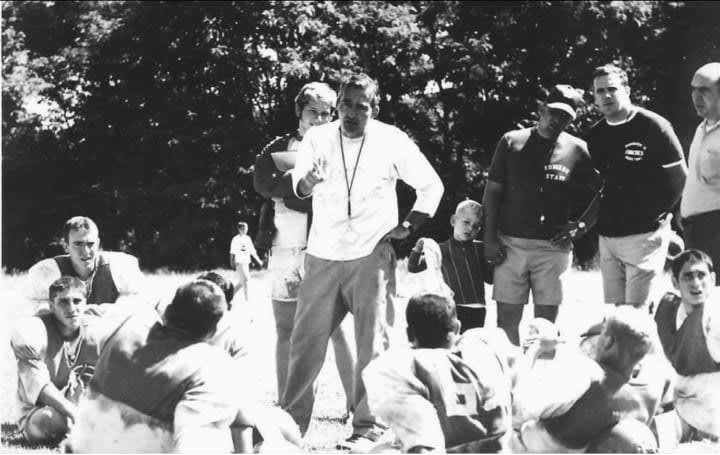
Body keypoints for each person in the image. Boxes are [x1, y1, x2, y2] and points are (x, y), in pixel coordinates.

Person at [283, 72, 444, 450]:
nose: (351, 113)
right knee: (305, 344)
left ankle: (367, 428)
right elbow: (297, 186)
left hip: (372, 255)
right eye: (345, 104)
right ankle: (288, 428)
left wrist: (408, 226)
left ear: (376, 108)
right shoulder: (317, 137)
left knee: (373, 345)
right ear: (337, 104)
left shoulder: (393, 139)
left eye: (362, 106)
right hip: (322, 253)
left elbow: (431, 186)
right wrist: (309, 182)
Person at [66, 279, 300, 453]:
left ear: (168, 311)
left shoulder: (128, 327)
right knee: (283, 444)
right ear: (213, 331)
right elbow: (192, 447)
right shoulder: (208, 364)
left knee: (275, 422)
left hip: (83, 446)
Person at [253, 82, 356, 416]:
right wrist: (301, 185)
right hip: (284, 247)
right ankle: (285, 404)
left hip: (326, 249)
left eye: (327, 113)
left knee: (336, 328)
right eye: (314, 112)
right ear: (299, 111)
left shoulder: (345, 149)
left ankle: (357, 404)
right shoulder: (278, 146)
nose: (321, 119)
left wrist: (296, 190)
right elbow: (263, 184)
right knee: (285, 328)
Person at [483, 84, 601, 345]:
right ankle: (510, 370)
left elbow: (604, 192)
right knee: (505, 325)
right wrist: (489, 239)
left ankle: (541, 368)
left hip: (552, 250)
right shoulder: (511, 141)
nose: (557, 120)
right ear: (541, 109)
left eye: (565, 116)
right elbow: (492, 193)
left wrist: (581, 225)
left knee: (546, 330)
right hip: (510, 245)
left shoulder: (578, 149)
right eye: (553, 112)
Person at [588, 64, 687, 308]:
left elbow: (680, 177)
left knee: (637, 314)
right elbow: (596, 186)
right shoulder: (595, 134)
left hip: (645, 234)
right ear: (594, 97)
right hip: (608, 237)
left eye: (612, 89)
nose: (606, 95)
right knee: (615, 314)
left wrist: (660, 215)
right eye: (600, 91)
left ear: (627, 90)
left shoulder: (654, 126)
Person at [363, 294, 513, 453]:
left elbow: (422, 445)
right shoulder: (486, 347)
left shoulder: (406, 365)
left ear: (409, 334)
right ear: (457, 328)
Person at [512, 306, 663, 452]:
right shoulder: (648, 395)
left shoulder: (586, 372)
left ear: (608, 341)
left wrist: (535, 349)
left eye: (603, 332)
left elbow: (516, 411)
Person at [10, 276, 100, 444]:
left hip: (81, 406)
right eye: (63, 302)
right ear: (51, 306)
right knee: (49, 420)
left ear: (86, 304)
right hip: (41, 411)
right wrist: (75, 414)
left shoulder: (94, 330)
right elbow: (39, 385)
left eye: (77, 301)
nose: (71, 308)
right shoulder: (36, 332)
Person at [653, 249, 720, 443]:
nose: (696, 283)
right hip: (677, 405)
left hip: (712, 408)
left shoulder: (715, 314)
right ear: (675, 282)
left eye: (701, 275)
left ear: (713, 279)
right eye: (688, 276)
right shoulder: (666, 310)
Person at [408, 199, 493, 331]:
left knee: (471, 341)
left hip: (478, 309)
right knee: (452, 340)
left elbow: (490, 278)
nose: (470, 228)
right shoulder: (441, 249)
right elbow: (413, 267)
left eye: (476, 226)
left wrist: (496, 262)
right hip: (451, 307)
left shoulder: (480, 248)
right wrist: (418, 249)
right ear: (453, 220)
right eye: (466, 222)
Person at [27, 216, 144, 307]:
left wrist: (102, 312)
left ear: (98, 244)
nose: (85, 251)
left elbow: (137, 305)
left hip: (109, 328)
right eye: (78, 244)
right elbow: (39, 312)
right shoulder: (48, 271)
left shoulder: (120, 266)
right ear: (66, 246)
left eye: (90, 244)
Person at [681, 62, 720, 284]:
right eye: (693, 89)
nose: (696, 96)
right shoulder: (702, 128)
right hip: (695, 229)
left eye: (704, 90)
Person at [229, 221, 263, 303]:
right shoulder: (235, 239)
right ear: (240, 229)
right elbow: (232, 252)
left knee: (243, 281)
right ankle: (246, 299)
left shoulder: (248, 239)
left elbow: (252, 251)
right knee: (246, 279)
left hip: (246, 262)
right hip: (239, 262)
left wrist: (259, 260)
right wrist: (232, 262)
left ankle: (230, 295)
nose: (246, 230)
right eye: (244, 228)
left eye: (246, 228)